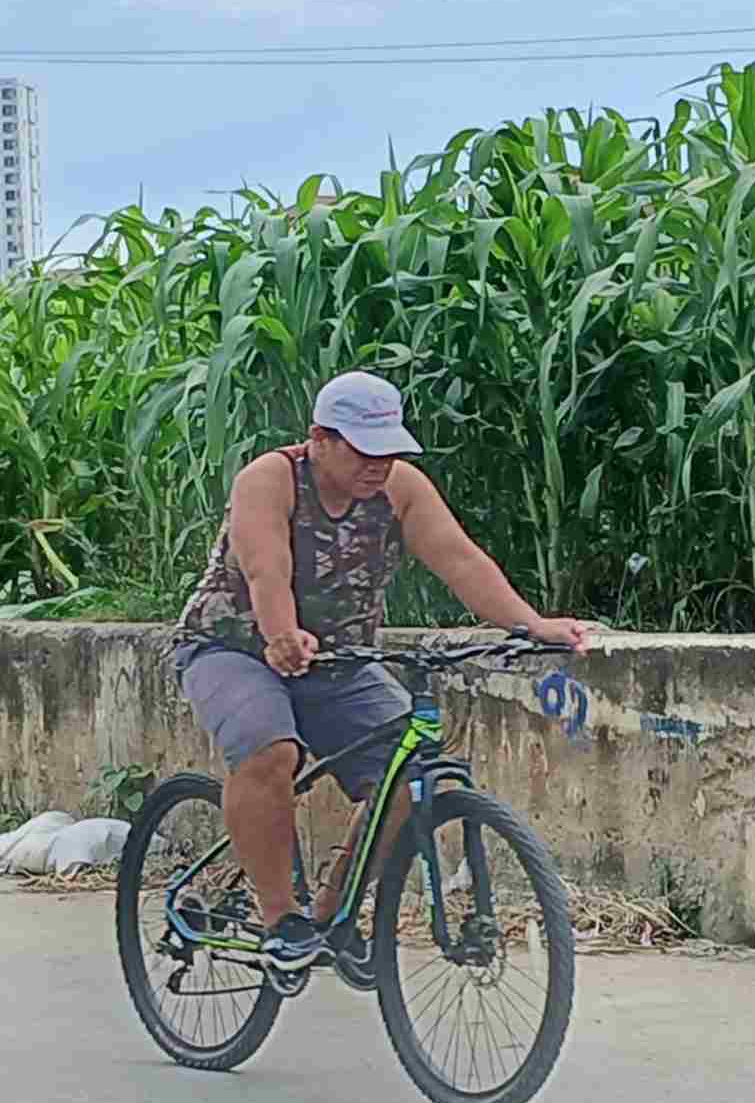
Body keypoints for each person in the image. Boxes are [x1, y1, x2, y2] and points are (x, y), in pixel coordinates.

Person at [170, 370, 594, 970]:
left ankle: (334, 908)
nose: (380, 464)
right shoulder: (270, 480)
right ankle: (279, 920)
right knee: (270, 752)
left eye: (390, 450)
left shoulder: (401, 489)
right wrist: (282, 636)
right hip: (235, 648)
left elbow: (461, 561)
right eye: (365, 450)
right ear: (320, 439)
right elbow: (267, 572)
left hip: (341, 658)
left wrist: (533, 625)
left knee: (416, 772)